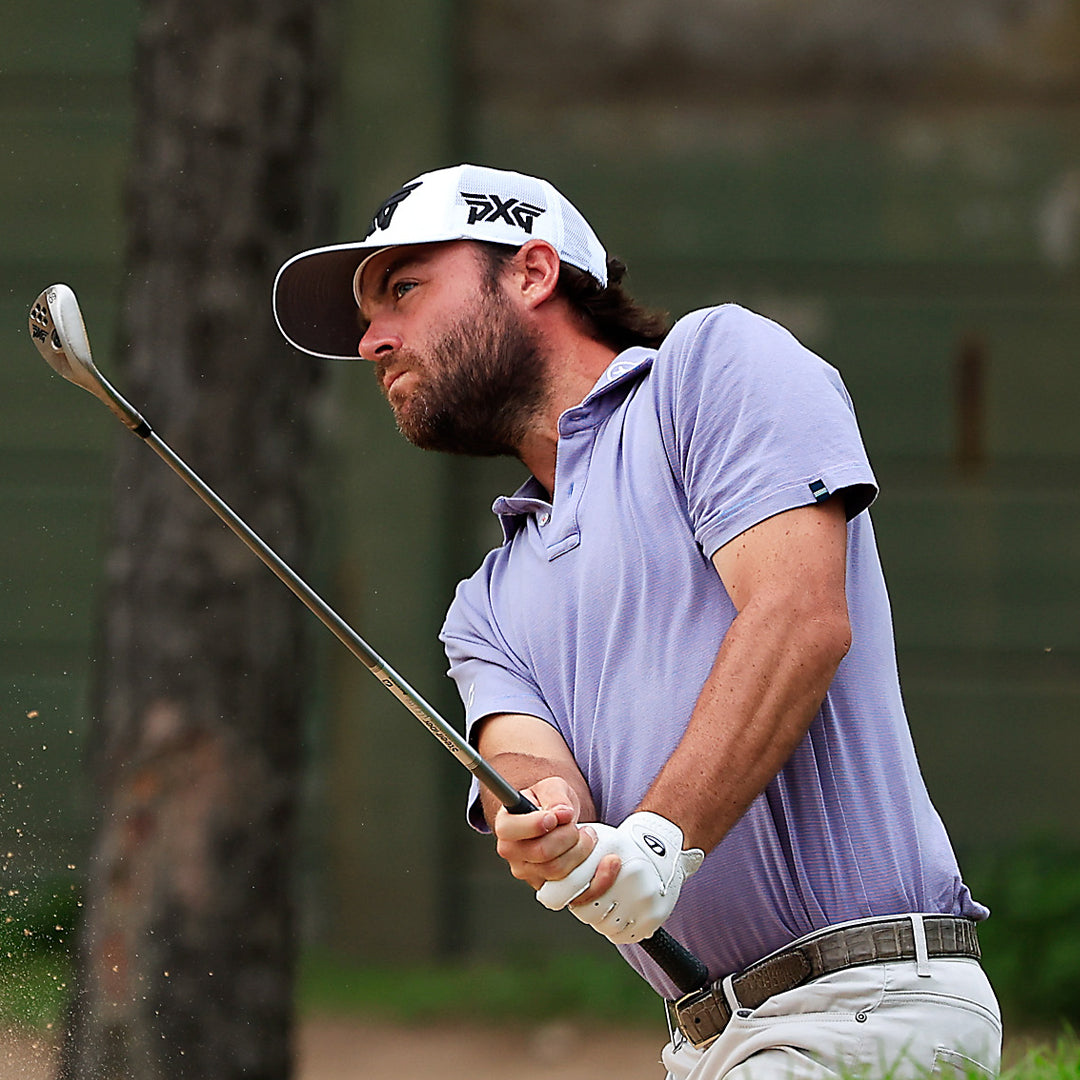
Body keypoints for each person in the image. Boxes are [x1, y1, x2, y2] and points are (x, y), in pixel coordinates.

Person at [274, 164, 1002, 1079]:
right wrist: (543, 819)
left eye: (404, 289)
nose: (372, 340)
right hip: (705, 1043)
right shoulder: (485, 603)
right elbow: (527, 760)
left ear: (531, 271)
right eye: (366, 318)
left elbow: (799, 616)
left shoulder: (713, 369)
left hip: (867, 1005)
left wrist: (659, 836)